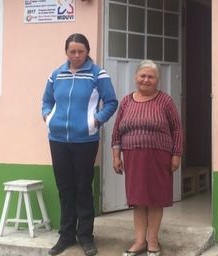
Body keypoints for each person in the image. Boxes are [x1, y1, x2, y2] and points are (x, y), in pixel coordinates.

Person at [41, 33, 118, 256]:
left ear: (87, 51)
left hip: (85, 140)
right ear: (66, 52)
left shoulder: (98, 74)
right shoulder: (56, 74)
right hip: (58, 140)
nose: (76, 55)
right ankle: (66, 236)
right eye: (72, 51)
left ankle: (85, 236)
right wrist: (48, 117)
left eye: (80, 51)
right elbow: (46, 101)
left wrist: (96, 121)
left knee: (83, 188)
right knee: (65, 189)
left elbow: (111, 102)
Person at [111, 60, 182, 256]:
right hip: (133, 156)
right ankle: (139, 241)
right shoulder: (126, 101)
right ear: (136, 77)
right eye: (143, 75)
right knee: (138, 200)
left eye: (151, 76)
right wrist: (116, 155)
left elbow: (177, 129)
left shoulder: (165, 101)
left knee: (155, 200)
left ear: (157, 80)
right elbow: (117, 131)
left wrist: (176, 155)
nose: (146, 79)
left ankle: (153, 241)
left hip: (158, 157)